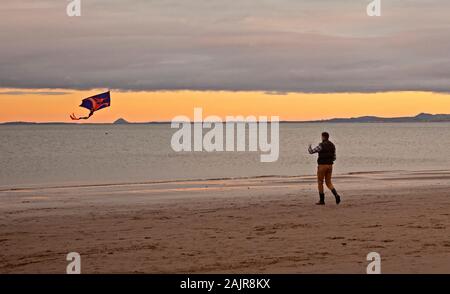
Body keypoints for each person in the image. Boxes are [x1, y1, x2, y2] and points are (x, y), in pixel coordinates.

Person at [308, 132, 341, 205]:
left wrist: (309, 146)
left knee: (320, 182)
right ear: (328, 137)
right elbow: (334, 157)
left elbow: (311, 151)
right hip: (330, 165)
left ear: (323, 137)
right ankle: (336, 195)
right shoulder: (332, 145)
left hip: (322, 165)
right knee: (328, 182)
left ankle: (322, 200)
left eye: (322, 137)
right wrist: (329, 161)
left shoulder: (321, 145)